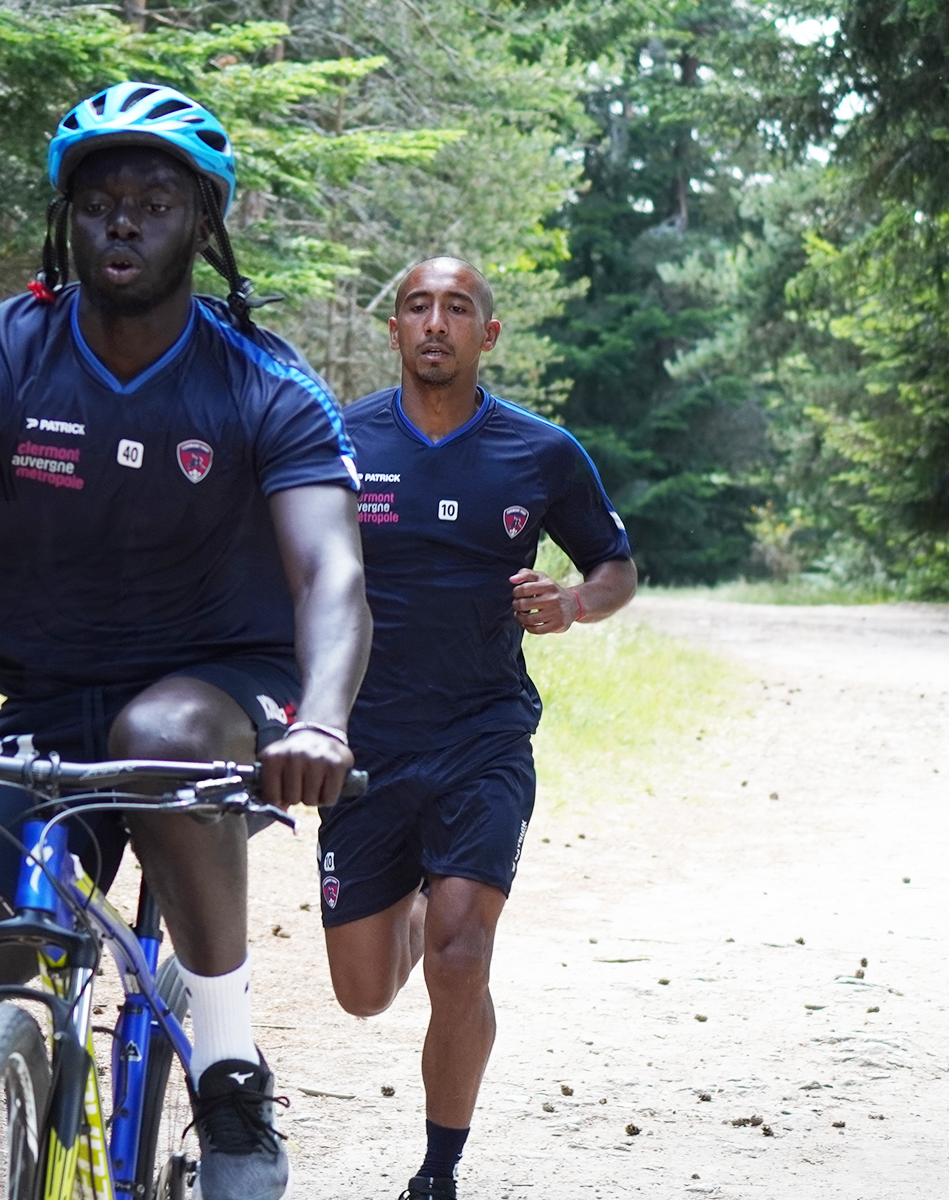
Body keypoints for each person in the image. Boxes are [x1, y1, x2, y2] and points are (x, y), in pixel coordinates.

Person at [0, 82, 370, 1200]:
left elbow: (331, 570)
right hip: (44, 713)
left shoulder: (263, 383)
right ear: (65, 220)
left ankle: (229, 1068)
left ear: (204, 221)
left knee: (162, 727)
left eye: (154, 199)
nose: (123, 221)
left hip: (224, 702)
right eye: (98, 200)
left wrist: (322, 719)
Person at [318, 257, 637, 1199]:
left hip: (483, 736)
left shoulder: (539, 452)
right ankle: (416, 902)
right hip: (362, 744)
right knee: (365, 991)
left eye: (457, 309)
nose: (435, 322)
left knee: (463, 956)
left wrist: (571, 605)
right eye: (418, 306)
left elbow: (614, 566)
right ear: (396, 330)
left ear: (486, 335)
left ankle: (438, 1170)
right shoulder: (339, 440)